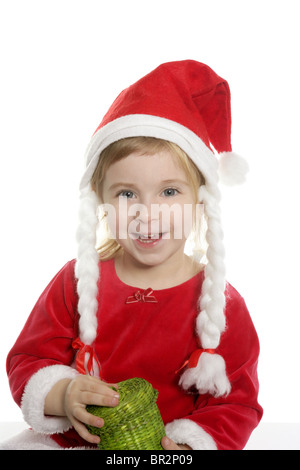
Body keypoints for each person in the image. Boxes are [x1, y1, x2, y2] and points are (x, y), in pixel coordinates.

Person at [2, 60, 262, 450]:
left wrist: (190, 445)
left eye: (169, 192)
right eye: (127, 193)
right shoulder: (74, 282)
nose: (148, 212)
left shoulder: (221, 305)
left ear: (200, 201)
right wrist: (62, 394)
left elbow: (237, 404)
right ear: (102, 201)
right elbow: (29, 359)